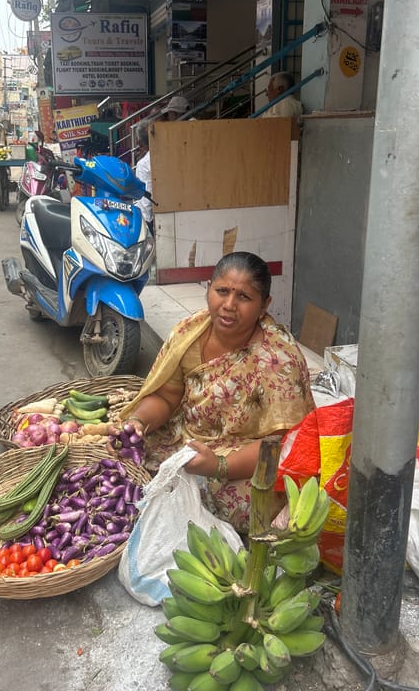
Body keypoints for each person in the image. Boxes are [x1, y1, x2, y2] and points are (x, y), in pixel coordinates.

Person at [118, 252, 315, 534]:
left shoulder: (279, 359)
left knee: (251, 503)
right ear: (208, 288)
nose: (229, 305)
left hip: (243, 457)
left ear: (264, 305)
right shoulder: (188, 333)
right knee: (125, 452)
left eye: (244, 297)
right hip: (185, 438)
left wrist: (220, 465)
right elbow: (167, 397)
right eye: (222, 291)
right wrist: (138, 422)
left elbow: (283, 444)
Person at [134, 119, 154, 236]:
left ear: (139, 143)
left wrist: (147, 224)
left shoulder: (143, 164)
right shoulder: (170, 153)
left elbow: (146, 199)